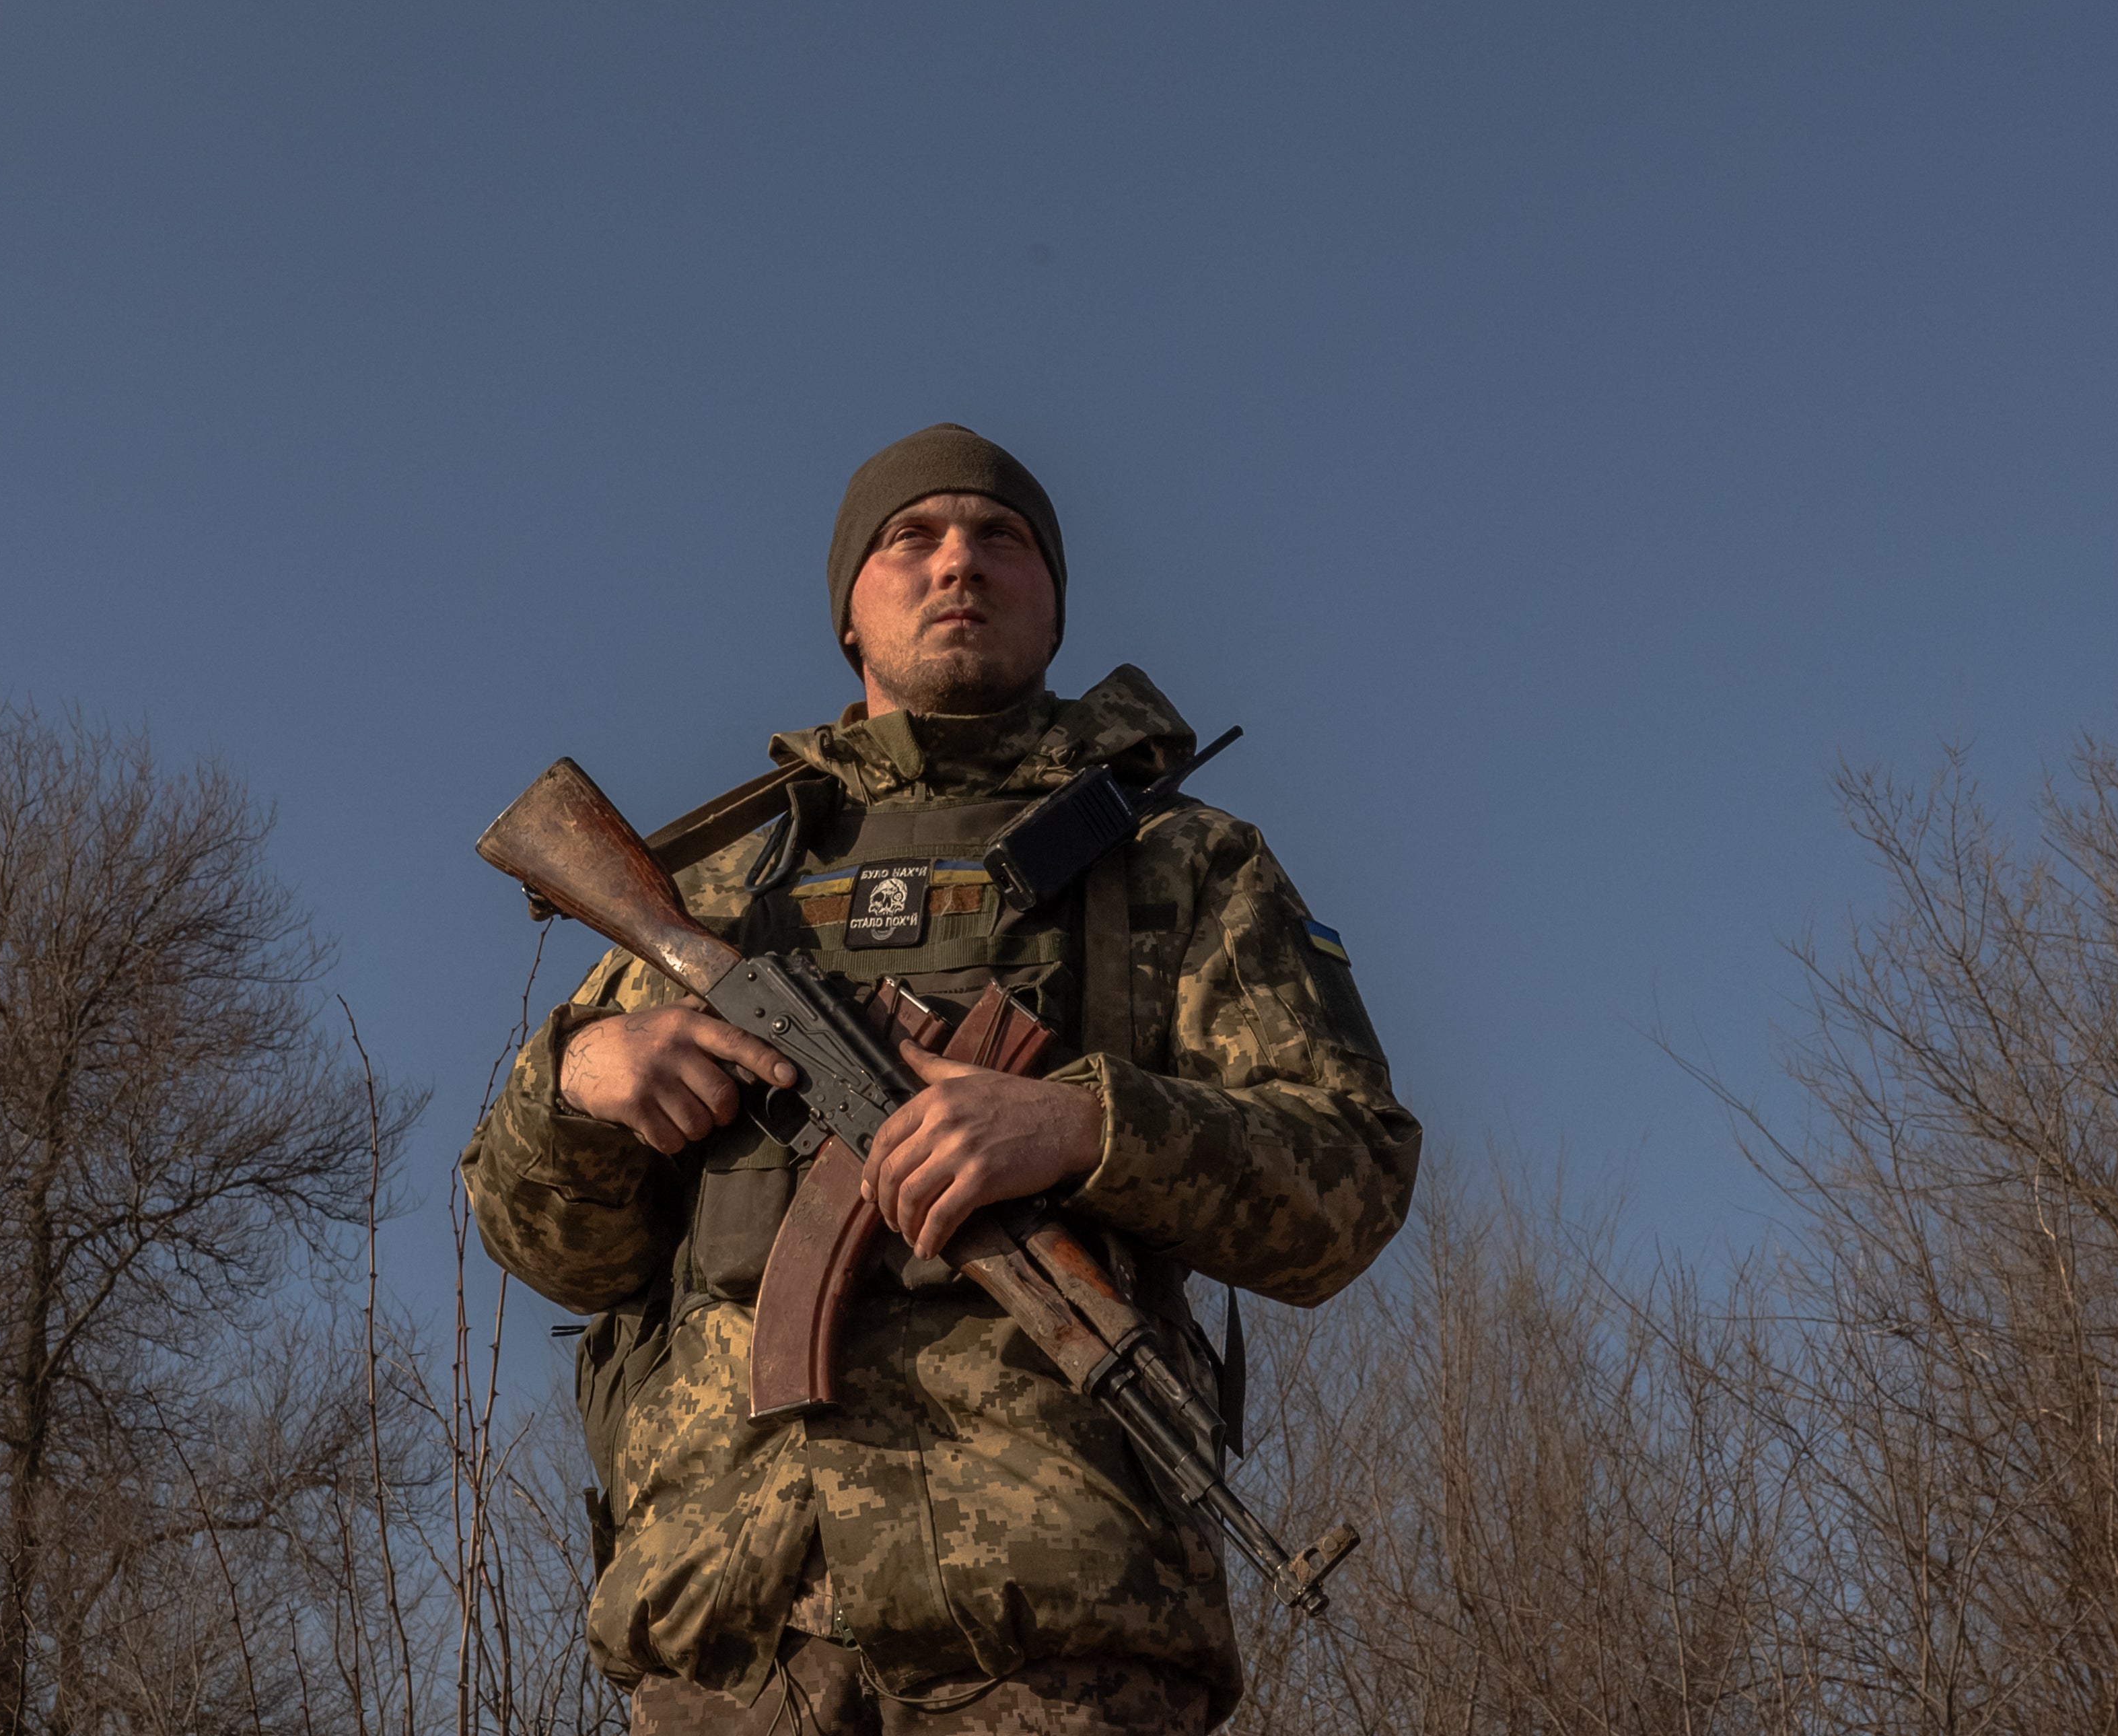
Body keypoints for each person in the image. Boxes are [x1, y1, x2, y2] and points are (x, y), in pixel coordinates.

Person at [460, 424, 1421, 1732]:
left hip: (1057, 1630)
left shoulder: (1182, 863)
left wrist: (1081, 1124)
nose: (957, 558)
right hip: (725, 1637)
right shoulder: (719, 889)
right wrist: (575, 1080)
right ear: (849, 612)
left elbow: (1351, 1176)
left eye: (1002, 534)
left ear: (1055, 602)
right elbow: (551, 1248)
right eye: (910, 535)